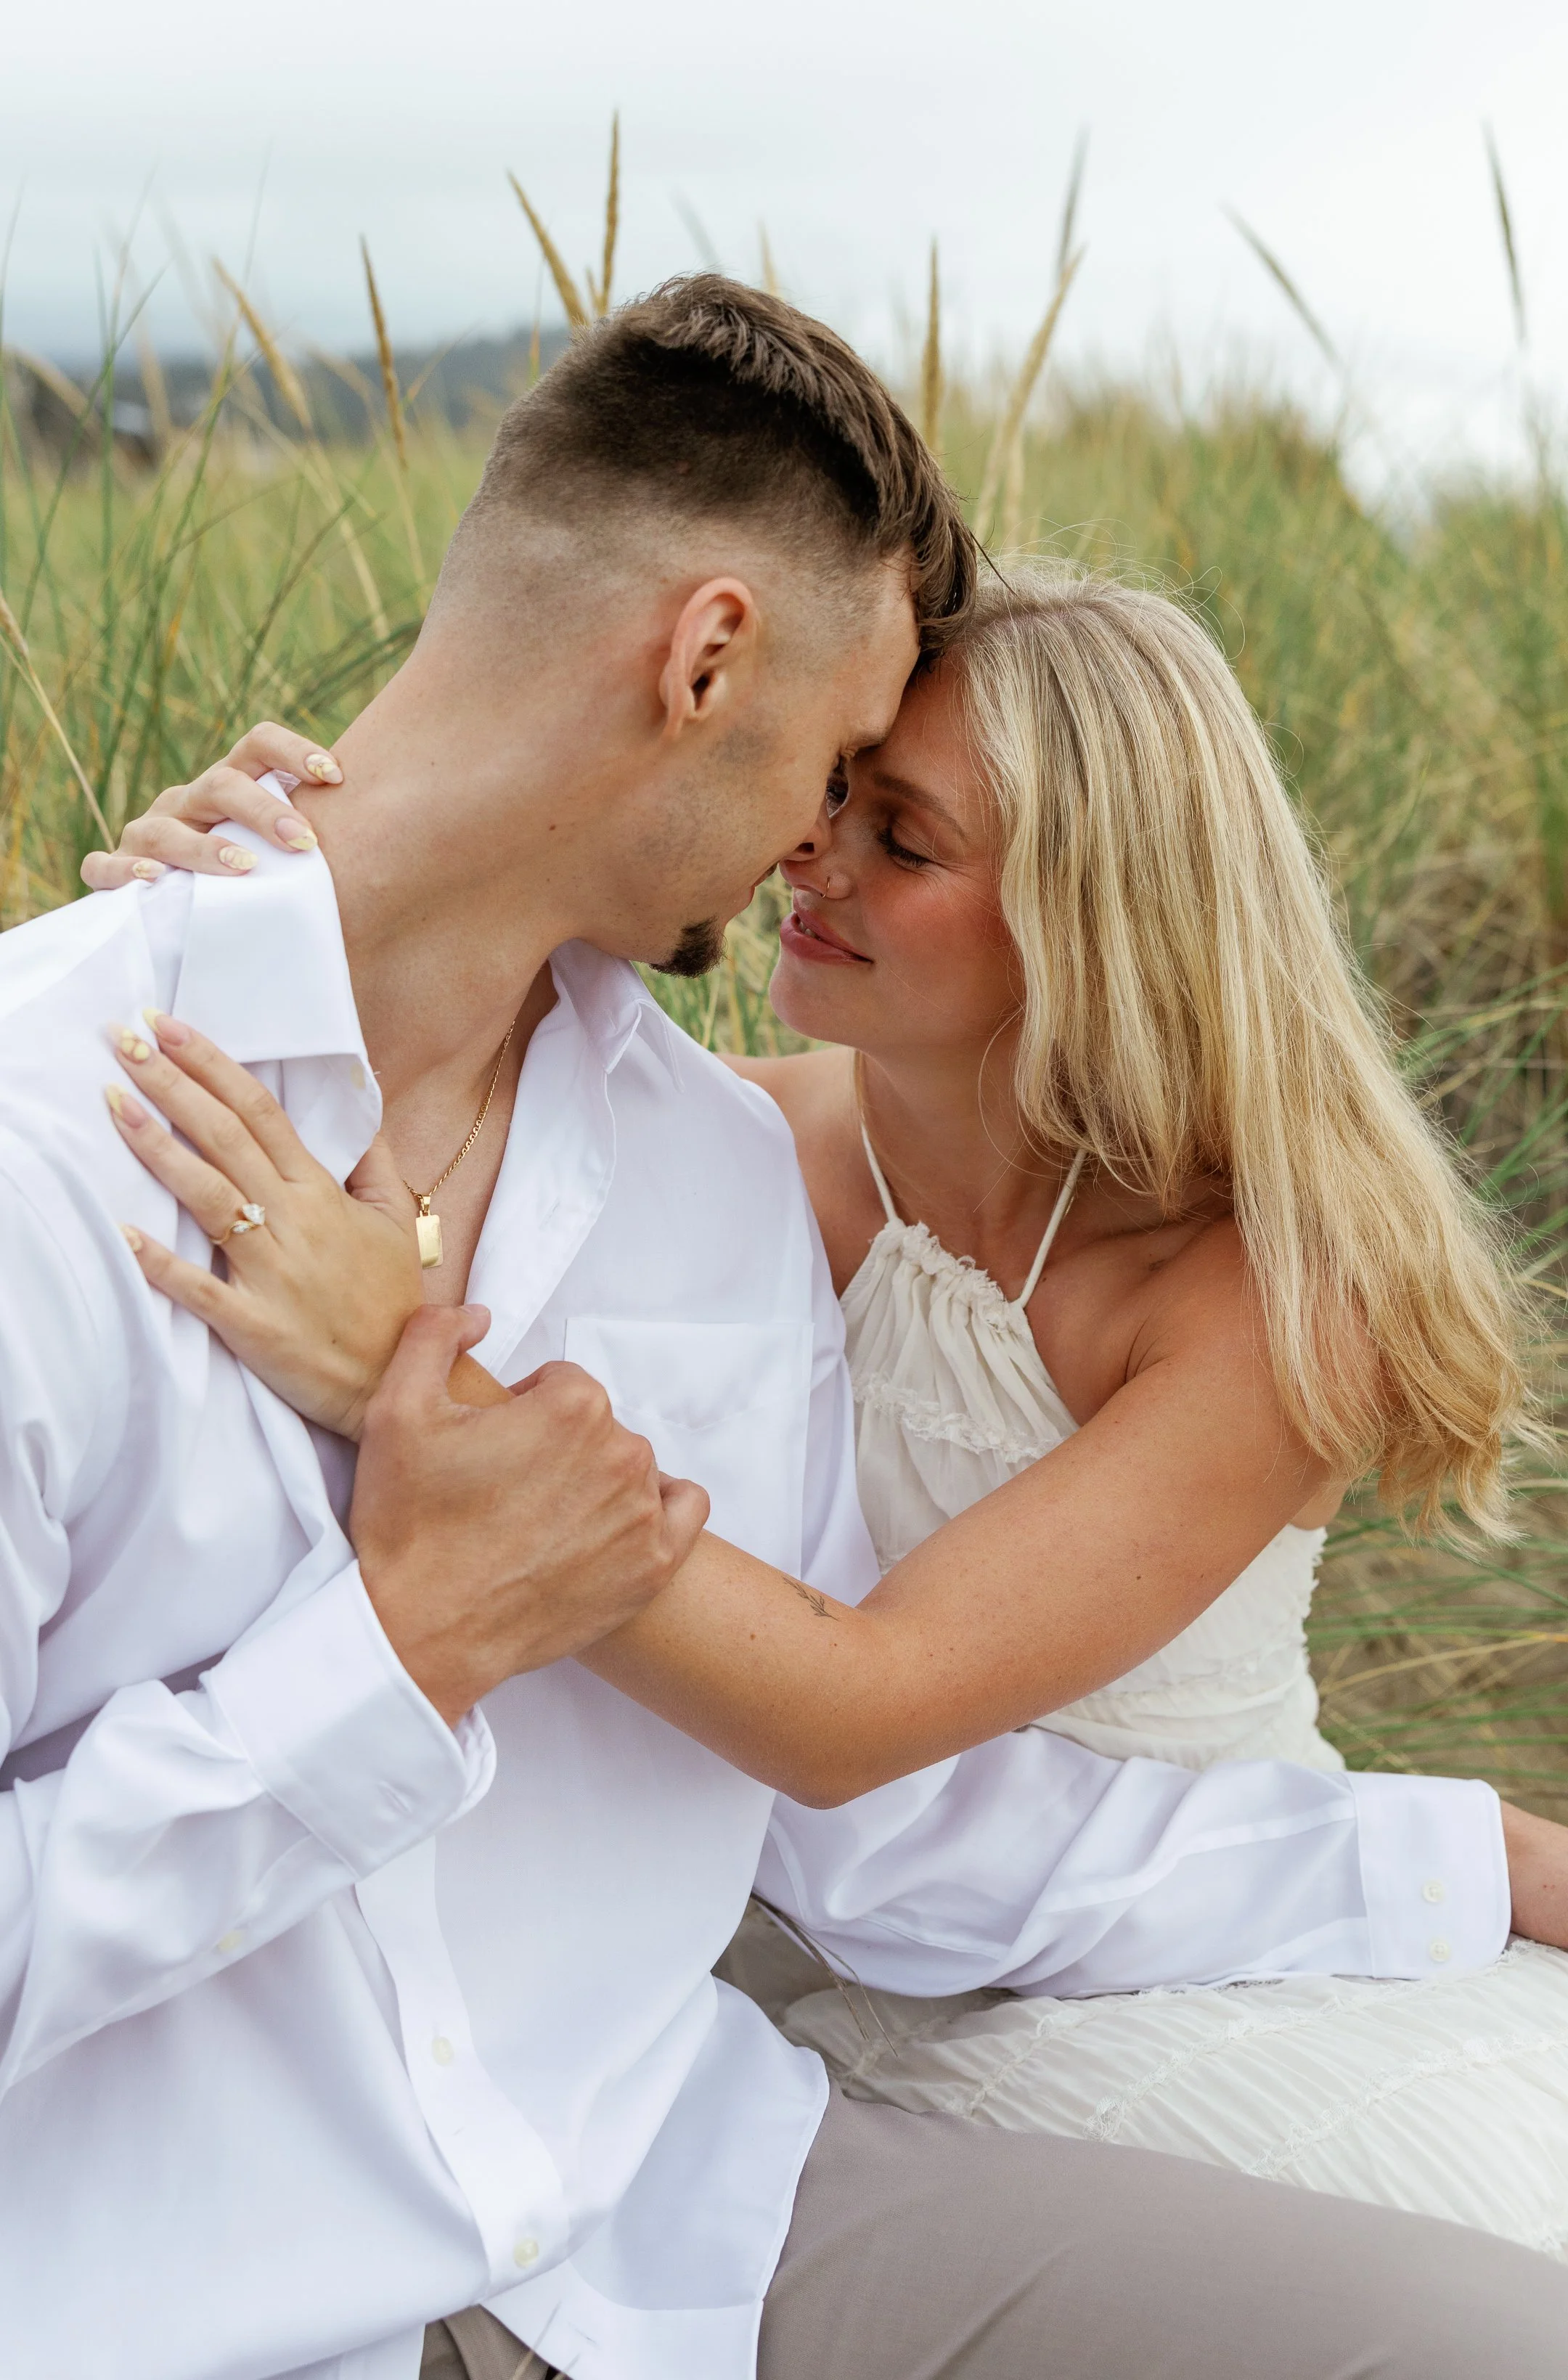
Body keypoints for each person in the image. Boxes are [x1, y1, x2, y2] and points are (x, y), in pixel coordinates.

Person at [16, 277, 1568, 2380]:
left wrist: (1450, 1852)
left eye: (887, 812)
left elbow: (868, 1786)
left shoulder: (708, 1174)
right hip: (173, 2293)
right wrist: (389, 1660)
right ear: (705, 659)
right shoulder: (55, 1152)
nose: (808, 844)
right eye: (840, 763)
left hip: (677, 2202)